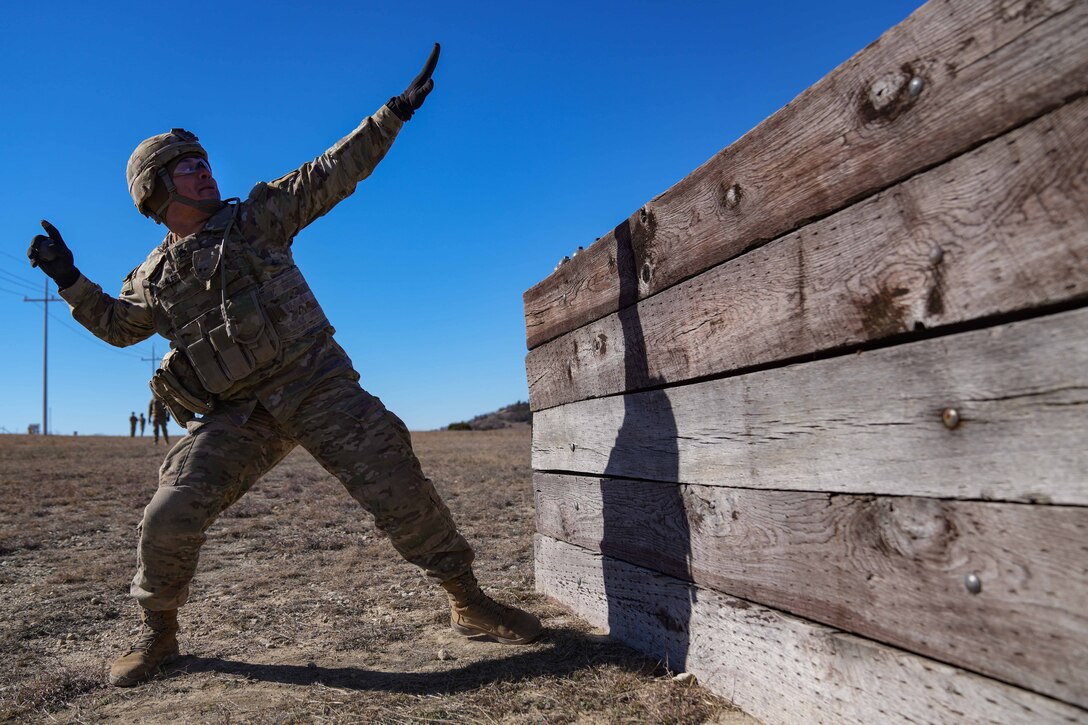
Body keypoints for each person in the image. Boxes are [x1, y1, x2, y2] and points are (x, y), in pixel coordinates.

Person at [27, 43, 540, 688]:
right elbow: (116, 328)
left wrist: (394, 112)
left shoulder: (256, 220)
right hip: (238, 415)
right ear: (156, 191)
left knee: (396, 480)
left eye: (204, 160)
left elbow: (332, 171)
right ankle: (158, 636)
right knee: (168, 513)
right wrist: (68, 277)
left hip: (315, 383)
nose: (205, 171)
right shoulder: (151, 278)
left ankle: (468, 600)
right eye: (187, 167)